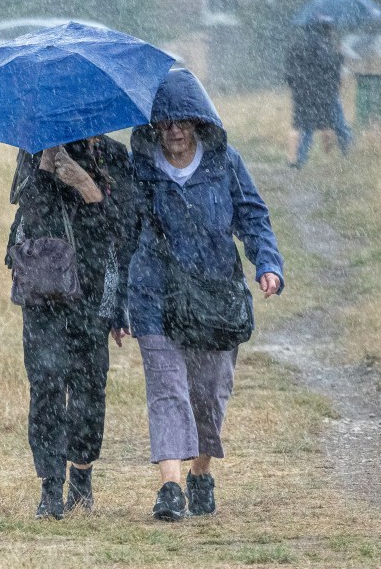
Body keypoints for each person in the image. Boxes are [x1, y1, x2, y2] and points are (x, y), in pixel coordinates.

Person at [128, 69, 284, 521]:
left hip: (214, 296)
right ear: (154, 125)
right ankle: (171, 489)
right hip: (154, 294)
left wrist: (268, 265)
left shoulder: (225, 163)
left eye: (183, 120)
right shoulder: (139, 168)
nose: (174, 129)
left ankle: (200, 471)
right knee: (167, 388)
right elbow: (122, 235)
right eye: (166, 121)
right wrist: (117, 302)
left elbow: (253, 217)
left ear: (199, 123)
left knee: (209, 394)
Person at [6, 135, 139, 520]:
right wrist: (47, 166)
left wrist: (85, 183)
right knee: (46, 383)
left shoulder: (112, 154)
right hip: (43, 291)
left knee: (88, 387)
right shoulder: (34, 150)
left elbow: (126, 224)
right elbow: (29, 214)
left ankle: (81, 472)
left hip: (94, 291)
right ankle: (50, 485)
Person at [284, 16, 352, 168]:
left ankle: (299, 160)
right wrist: (339, 56)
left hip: (304, 93)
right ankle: (347, 153)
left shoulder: (298, 45)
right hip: (325, 92)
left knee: (305, 126)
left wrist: (296, 86)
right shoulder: (324, 45)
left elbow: (289, 71)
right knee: (337, 123)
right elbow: (328, 67)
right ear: (327, 29)